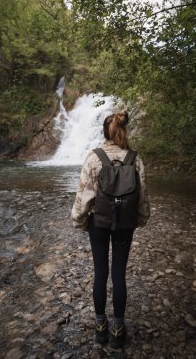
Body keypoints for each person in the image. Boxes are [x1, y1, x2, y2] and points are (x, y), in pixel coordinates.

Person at [71, 111, 150, 349]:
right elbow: (143, 196)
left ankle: (100, 327)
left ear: (104, 132)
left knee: (100, 274)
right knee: (119, 275)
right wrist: (140, 219)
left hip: (99, 223)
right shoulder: (135, 159)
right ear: (124, 131)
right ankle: (117, 328)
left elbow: (84, 196)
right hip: (125, 224)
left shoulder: (94, 158)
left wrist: (79, 220)